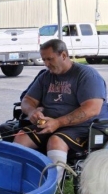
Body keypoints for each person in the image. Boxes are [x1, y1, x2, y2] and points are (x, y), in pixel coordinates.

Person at [13, 39, 108, 182]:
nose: (46, 63)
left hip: (81, 126)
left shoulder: (86, 75)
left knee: (56, 141)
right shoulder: (46, 76)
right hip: (49, 123)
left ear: (63, 55)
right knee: (21, 136)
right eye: (44, 59)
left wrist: (58, 123)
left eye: (50, 59)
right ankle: (19, 184)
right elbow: (27, 100)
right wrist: (32, 112)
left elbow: (92, 109)